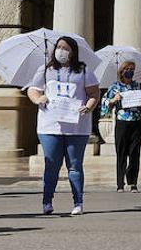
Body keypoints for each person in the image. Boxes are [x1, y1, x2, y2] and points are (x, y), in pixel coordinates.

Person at [27, 35, 100, 215]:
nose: (62, 51)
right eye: (59, 47)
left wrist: (88, 106)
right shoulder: (45, 70)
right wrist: (38, 98)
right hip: (50, 126)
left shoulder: (84, 71)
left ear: (73, 52)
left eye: (66, 48)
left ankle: (78, 202)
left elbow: (94, 93)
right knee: (51, 164)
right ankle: (47, 202)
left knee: (75, 165)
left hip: (76, 126)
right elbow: (32, 90)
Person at [103, 60, 141, 193]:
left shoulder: (138, 86)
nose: (130, 71)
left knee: (135, 152)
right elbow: (105, 103)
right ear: (122, 71)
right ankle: (120, 183)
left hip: (137, 121)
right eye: (127, 69)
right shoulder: (115, 87)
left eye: (132, 69)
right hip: (122, 122)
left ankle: (133, 182)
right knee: (121, 152)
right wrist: (113, 100)